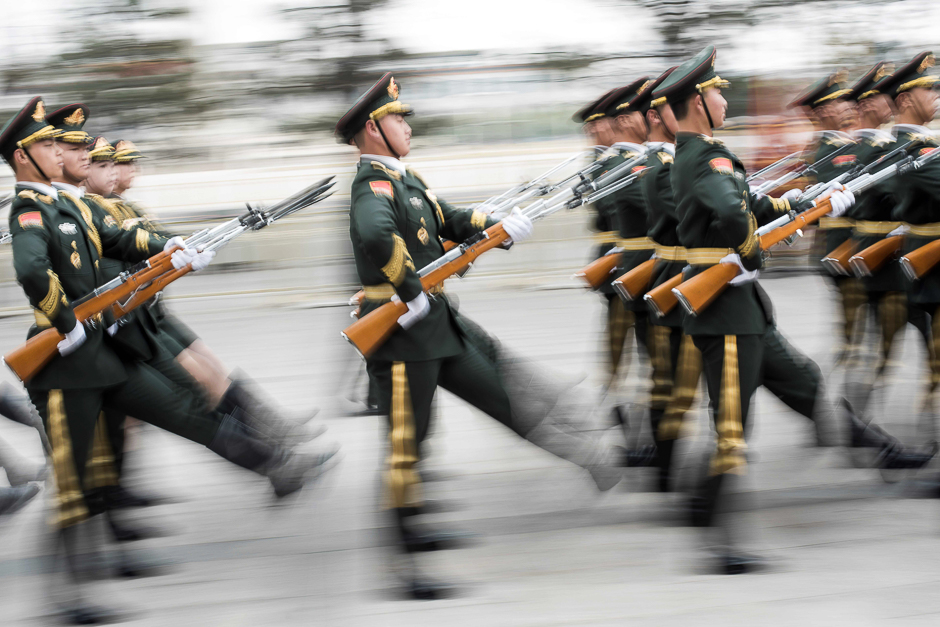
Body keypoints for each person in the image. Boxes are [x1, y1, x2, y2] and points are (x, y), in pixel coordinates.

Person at [2, 97, 334, 623]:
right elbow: (32, 271)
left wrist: (173, 247)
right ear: (23, 158)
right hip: (65, 367)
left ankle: (278, 466)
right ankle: (67, 598)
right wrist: (62, 324)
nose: (60, 151)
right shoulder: (28, 208)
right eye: (45, 144)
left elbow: (120, 237)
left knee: (183, 406)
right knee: (74, 481)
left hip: (108, 355)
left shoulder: (71, 205)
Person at [336, 73, 623, 599]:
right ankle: (405, 569)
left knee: (501, 396)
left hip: (435, 324)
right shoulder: (371, 185)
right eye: (398, 118)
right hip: (401, 330)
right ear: (374, 130)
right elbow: (378, 234)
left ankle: (586, 458)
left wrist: (497, 224)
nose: (406, 125)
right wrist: (411, 287)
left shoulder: (406, 179)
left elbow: (449, 217)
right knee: (406, 445)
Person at [650, 47, 933, 574]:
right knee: (732, 430)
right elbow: (737, 222)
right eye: (715, 92)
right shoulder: (703, 158)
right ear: (696, 102)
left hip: (746, 309)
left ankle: (880, 452)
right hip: (726, 313)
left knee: (806, 383)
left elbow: (753, 205)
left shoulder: (707, 153)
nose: (723, 98)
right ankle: (720, 543)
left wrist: (812, 204)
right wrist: (762, 241)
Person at [788, 70, 865, 358]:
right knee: (854, 329)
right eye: (838, 102)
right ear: (821, 112)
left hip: (849, 245)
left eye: (846, 101)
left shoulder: (841, 146)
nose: (847, 106)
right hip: (841, 244)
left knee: (857, 325)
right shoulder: (826, 151)